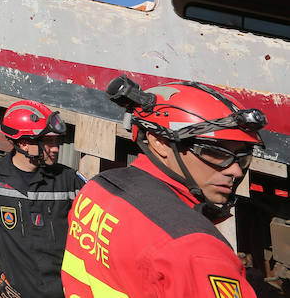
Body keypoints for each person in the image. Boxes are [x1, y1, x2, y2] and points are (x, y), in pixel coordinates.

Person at [61, 76, 266, 297]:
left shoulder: (97, 189)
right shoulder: (198, 252)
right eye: (216, 153)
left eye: (242, 157)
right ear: (160, 142)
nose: (235, 171)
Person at [0, 100, 83, 298]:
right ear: (24, 143)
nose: (56, 149)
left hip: (65, 291)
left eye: (56, 141)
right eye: (48, 142)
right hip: (17, 291)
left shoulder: (69, 180)